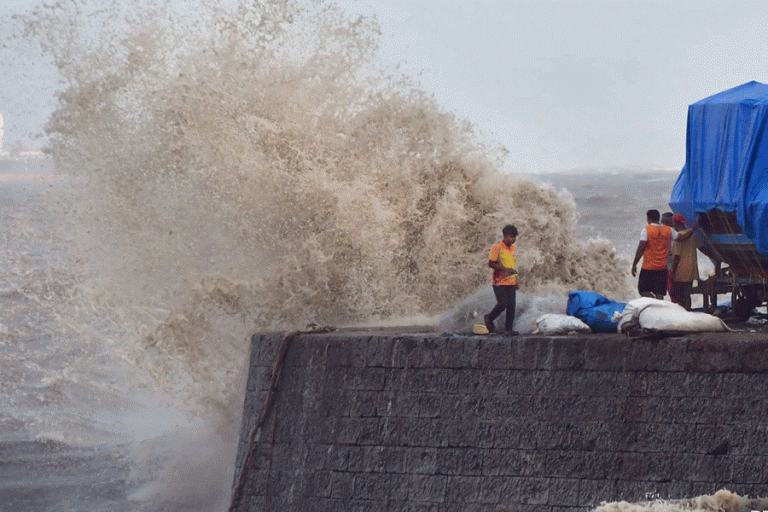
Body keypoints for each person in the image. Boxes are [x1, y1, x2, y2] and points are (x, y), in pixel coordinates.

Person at [631, 209, 696, 299]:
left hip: (648, 267)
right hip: (662, 268)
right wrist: (693, 229)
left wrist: (634, 264)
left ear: (649, 219)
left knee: (642, 290)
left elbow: (641, 248)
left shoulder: (646, 230)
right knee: (659, 293)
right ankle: (660, 309)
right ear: (658, 218)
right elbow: (681, 238)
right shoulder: (669, 229)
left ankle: (652, 302)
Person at [484, 224, 519, 335]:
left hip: (510, 281)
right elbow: (490, 263)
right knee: (502, 304)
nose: (511, 239)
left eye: (513, 237)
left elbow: (511, 267)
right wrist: (504, 269)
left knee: (511, 306)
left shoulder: (514, 249)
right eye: (509, 237)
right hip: (499, 281)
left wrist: (515, 281)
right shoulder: (497, 247)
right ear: (504, 236)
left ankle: (508, 329)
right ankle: (489, 318)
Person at [669, 213, 700, 310]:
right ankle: (687, 312)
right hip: (691, 269)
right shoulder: (692, 235)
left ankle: (682, 311)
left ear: (676, 223)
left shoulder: (678, 237)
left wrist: (672, 272)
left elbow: (676, 257)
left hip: (680, 270)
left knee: (675, 293)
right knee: (686, 294)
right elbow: (702, 248)